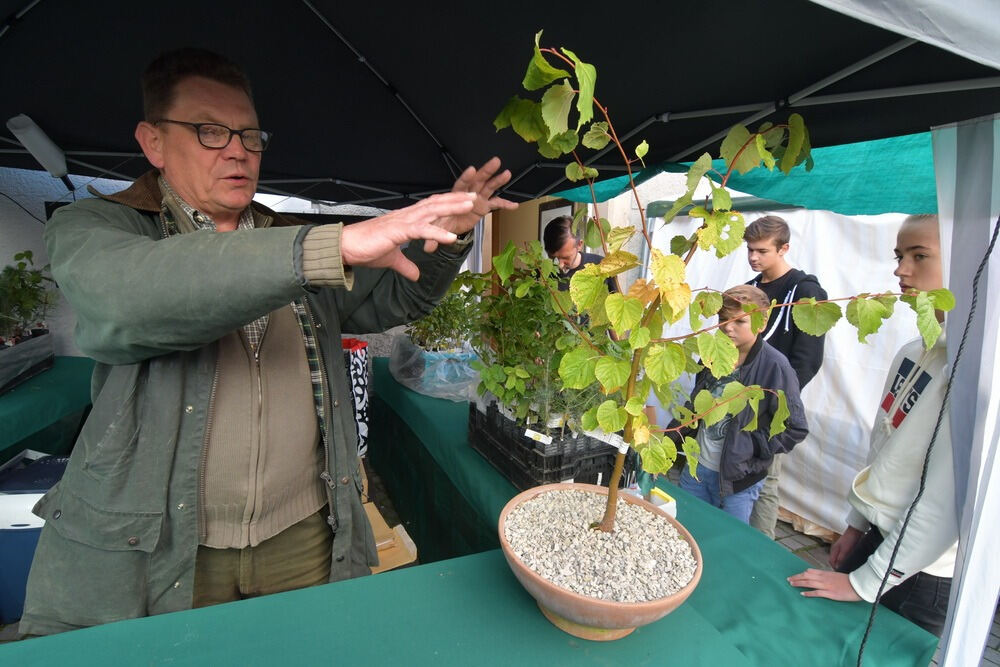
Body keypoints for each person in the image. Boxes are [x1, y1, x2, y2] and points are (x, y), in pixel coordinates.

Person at [20, 48, 516, 636]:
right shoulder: (100, 227)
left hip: (304, 531)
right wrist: (323, 249)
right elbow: (126, 299)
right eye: (210, 131)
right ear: (153, 143)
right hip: (162, 544)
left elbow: (395, 298)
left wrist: (447, 241)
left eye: (251, 136)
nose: (237, 149)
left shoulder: (289, 235)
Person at [789, 214, 956, 637]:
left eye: (920, 256)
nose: (901, 270)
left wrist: (865, 582)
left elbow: (944, 501)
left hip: (920, 570)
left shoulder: (974, 372)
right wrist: (856, 523)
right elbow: (885, 445)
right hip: (880, 540)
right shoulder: (913, 350)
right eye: (899, 256)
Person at [673, 285, 808, 524]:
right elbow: (697, 402)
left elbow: (795, 427)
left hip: (737, 481)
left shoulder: (776, 367)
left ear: (761, 323)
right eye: (723, 319)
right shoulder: (713, 353)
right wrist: (671, 439)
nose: (728, 327)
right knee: (685, 528)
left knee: (726, 539)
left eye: (739, 321)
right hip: (696, 470)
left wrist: (754, 449)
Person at [743, 215, 828, 539]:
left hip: (773, 404)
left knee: (765, 478)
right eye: (750, 250)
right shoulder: (749, 289)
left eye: (762, 251)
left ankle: (759, 549)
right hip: (737, 397)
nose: (753, 257)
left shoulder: (805, 292)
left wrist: (776, 399)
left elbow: (808, 360)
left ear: (784, 248)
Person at [543, 215, 617, 292]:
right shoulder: (542, 273)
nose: (560, 265)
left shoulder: (603, 266)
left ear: (579, 245)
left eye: (566, 258)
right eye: (553, 257)